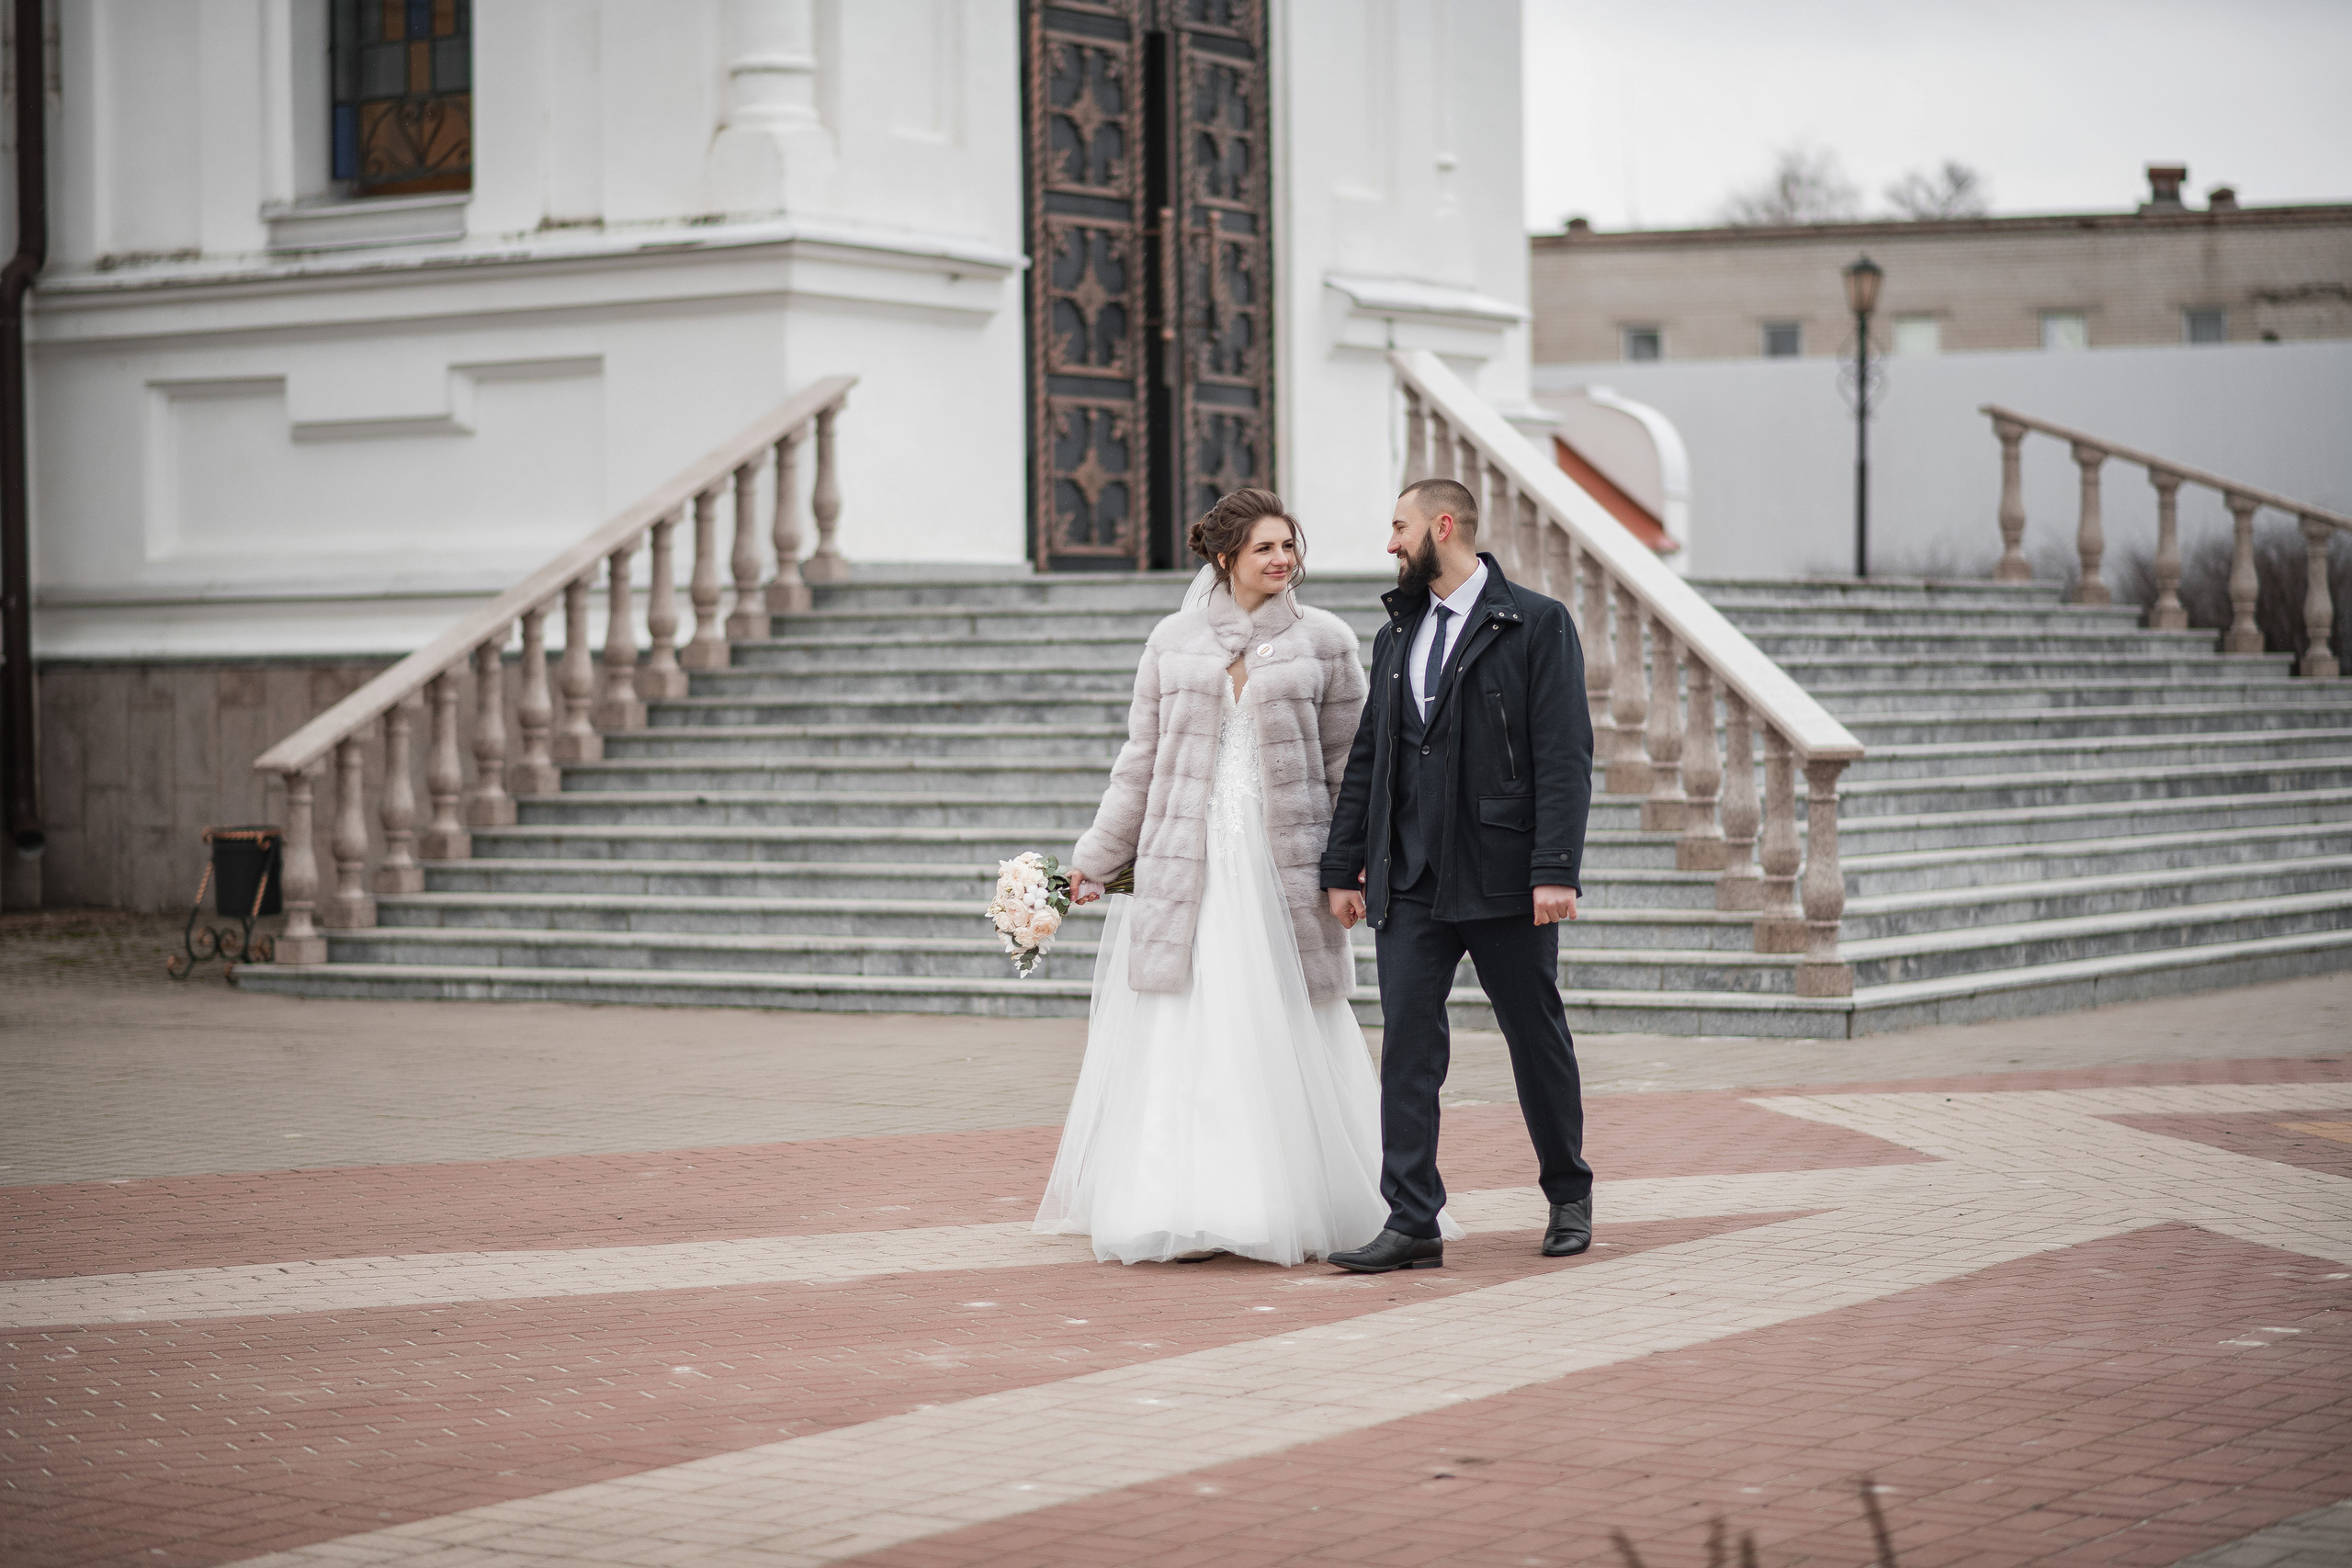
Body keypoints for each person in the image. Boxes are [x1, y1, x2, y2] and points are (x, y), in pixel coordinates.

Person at [1035, 489, 1461, 1266]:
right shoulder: (1172, 641)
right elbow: (1139, 763)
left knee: (1282, 1020)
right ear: (1226, 556)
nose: (1282, 560)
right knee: (1185, 1029)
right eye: (1265, 547)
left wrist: (1354, 864)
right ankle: (1182, 1205)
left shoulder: (1324, 640)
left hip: (1282, 869)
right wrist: (1090, 864)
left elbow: (1350, 766)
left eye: (1289, 546)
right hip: (1185, 864)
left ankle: (1291, 1200)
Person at [1318, 478, 1598, 1274]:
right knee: (1407, 1046)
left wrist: (1555, 869)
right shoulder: (1396, 632)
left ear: (1444, 526)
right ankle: (1412, 1217)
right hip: (1410, 877)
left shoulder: (1536, 623)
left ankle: (1568, 1195)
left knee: (1535, 1037)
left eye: (1400, 527)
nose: (1391, 544)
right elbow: (1370, 755)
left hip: (1507, 876)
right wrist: (1345, 865)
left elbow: (1564, 755)